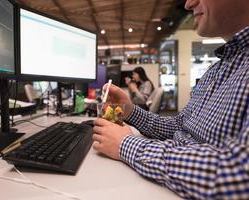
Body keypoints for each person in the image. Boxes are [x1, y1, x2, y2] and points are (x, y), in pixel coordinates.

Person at [92, 0, 249, 199]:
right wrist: (130, 110)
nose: (188, 4)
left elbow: (241, 174)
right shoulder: (216, 70)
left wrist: (125, 145)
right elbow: (179, 125)